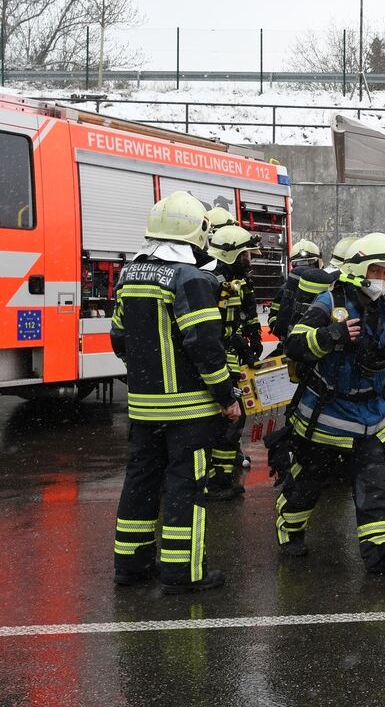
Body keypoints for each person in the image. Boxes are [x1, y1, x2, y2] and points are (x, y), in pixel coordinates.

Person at [111, 191, 240, 594]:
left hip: (144, 409)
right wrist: (226, 396)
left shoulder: (129, 274)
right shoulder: (193, 278)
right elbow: (204, 345)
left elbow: (118, 339)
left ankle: (131, 565)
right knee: (186, 486)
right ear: (197, 232)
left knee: (141, 482)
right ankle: (182, 572)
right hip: (189, 412)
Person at [275, 232, 385, 574]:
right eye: (378, 271)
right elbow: (294, 345)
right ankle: (289, 526)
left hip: (369, 415)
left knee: (375, 482)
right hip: (326, 417)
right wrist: (330, 336)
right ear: (360, 269)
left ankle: (382, 549)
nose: (383, 280)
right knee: (308, 481)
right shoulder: (329, 303)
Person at [205, 224, 263, 500]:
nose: (249, 261)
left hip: (227, 363)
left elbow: (232, 327)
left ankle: (222, 478)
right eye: (245, 255)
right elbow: (212, 334)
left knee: (229, 425)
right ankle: (217, 482)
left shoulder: (229, 283)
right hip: (219, 366)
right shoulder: (214, 284)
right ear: (231, 256)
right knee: (226, 424)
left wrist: (247, 346)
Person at [268, 239, 327, 340]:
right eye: (299, 266)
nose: (305, 270)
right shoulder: (285, 289)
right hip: (294, 343)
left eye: (310, 265)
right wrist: (281, 332)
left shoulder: (327, 286)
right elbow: (273, 315)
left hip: (317, 340)